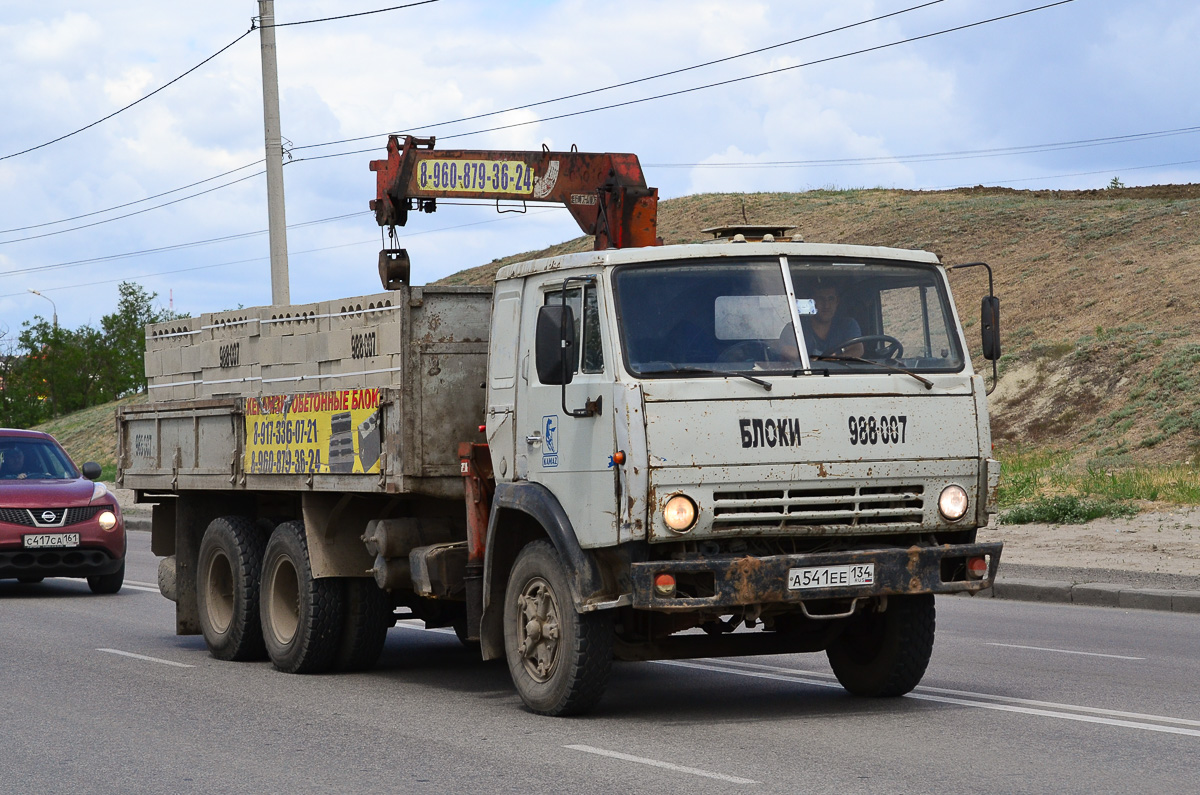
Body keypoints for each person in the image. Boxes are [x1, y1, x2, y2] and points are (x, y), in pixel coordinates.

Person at [800, 282, 863, 358]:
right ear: (812, 302)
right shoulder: (798, 328)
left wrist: (832, 361)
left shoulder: (847, 325)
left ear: (837, 302)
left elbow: (857, 350)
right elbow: (790, 353)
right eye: (821, 299)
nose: (826, 305)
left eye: (831, 299)